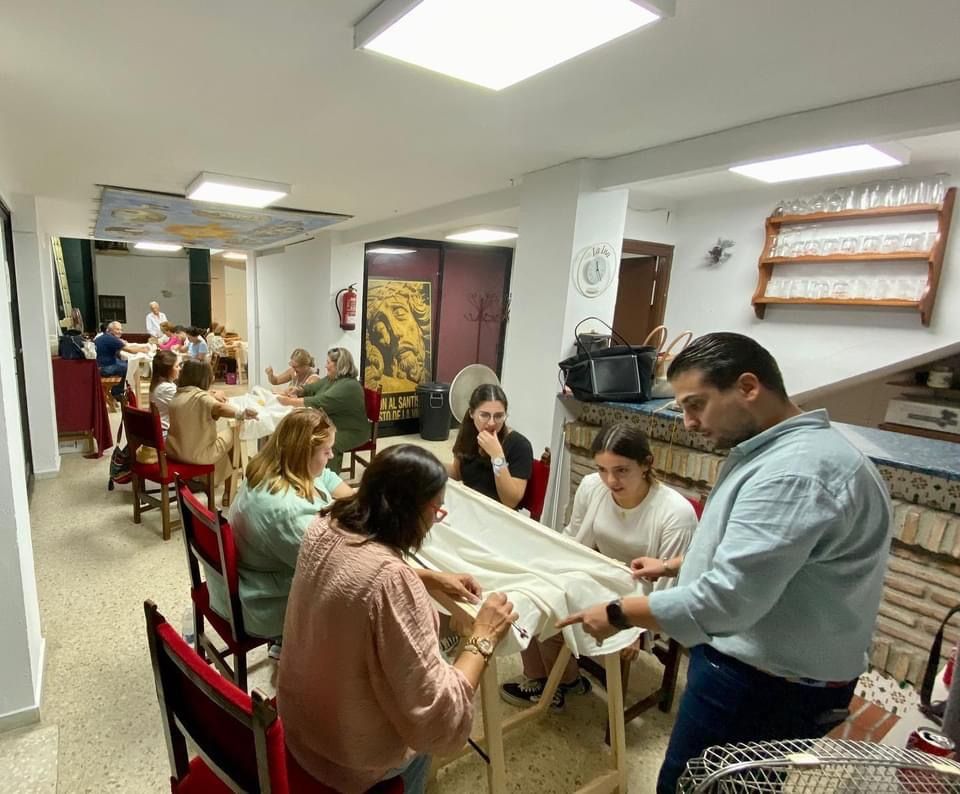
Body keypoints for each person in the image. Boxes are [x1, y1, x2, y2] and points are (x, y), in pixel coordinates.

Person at [557, 332, 893, 794]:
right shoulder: (790, 454)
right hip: (770, 675)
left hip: (765, 684)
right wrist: (675, 566)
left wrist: (618, 613)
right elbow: (761, 559)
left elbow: (726, 599)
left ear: (748, 387)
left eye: (697, 405)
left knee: (696, 786)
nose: (689, 423)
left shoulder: (793, 474)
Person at [278, 445, 518, 794]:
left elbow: (355, 578)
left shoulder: (324, 524)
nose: (437, 517)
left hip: (299, 725)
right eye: (436, 510)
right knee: (420, 745)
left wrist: (429, 577)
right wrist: (483, 636)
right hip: (346, 760)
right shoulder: (391, 583)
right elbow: (438, 717)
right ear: (413, 512)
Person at [501, 422, 697, 711]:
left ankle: (560, 681)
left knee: (550, 603)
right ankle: (552, 679)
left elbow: (669, 588)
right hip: (597, 573)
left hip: (641, 593)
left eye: (621, 470)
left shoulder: (675, 513)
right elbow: (573, 538)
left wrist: (636, 626)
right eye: (603, 469)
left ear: (646, 464)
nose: (611, 480)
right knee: (530, 591)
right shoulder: (594, 486)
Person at [206, 408, 353, 656]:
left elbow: (323, 477)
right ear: (303, 453)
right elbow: (336, 568)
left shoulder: (270, 467)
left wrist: (354, 500)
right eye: (326, 451)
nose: (331, 456)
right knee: (355, 599)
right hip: (262, 602)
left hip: (248, 576)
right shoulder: (286, 510)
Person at [277, 348, 370, 473]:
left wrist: (289, 402)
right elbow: (313, 387)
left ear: (339, 365)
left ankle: (329, 481)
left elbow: (320, 401)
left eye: (328, 362)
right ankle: (308, 472)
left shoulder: (349, 386)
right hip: (333, 425)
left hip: (352, 431)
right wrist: (299, 390)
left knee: (327, 442)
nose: (325, 365)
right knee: (306, 436)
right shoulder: (332, 379)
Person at [166, 360, 257, 486]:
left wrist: (213, 394)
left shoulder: (178, 395)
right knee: (235, 429)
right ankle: (229, 488)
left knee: (220, 443)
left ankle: (231, 470)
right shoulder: (201, 398)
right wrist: (241, 413)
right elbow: (219, 408)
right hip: (197, 455)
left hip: (175, 451)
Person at [449, 383, 532, 508]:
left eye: (499, 416)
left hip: (500, 514)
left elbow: (510, 501)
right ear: (472, 413)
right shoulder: (469, 432)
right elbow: (457, 472)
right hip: (471, 506)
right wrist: (430, 463)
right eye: (484, 415)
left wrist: (497, 456)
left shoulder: (520, 445)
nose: (492, 423)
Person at [364, 280, 432, 393]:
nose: (395, 333)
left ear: (417, 319)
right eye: (381, 327)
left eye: (400, 314)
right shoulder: (377, 385)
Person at [93, 321, 150, 395]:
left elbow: (126, 347)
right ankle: (118, 393)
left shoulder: (104, 337)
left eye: (121, 330)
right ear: (110, 330)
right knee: (129, 367)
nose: (120, 332)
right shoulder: (111, 339)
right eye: (117, 329)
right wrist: (144, 350)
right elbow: (131, 350)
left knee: (126, 363)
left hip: (99, 366)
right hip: (104, 368)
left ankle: (119, 390)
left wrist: (140, 348)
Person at [148, 350, 180, 436]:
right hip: (164, 433)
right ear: (168, 370)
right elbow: (186, 404)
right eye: (177, 366)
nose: (179, 369)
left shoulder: (159, 382)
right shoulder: (166, 388)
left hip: (159, 429)